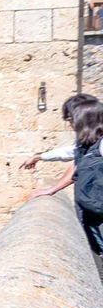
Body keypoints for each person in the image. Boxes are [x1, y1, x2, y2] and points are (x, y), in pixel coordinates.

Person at [30, 94, 103, 253]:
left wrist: (53, 189)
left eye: (71, 120)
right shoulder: (89, 145)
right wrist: (40, 157)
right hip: (92, 213)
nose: (71, 125)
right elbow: (70, 154)